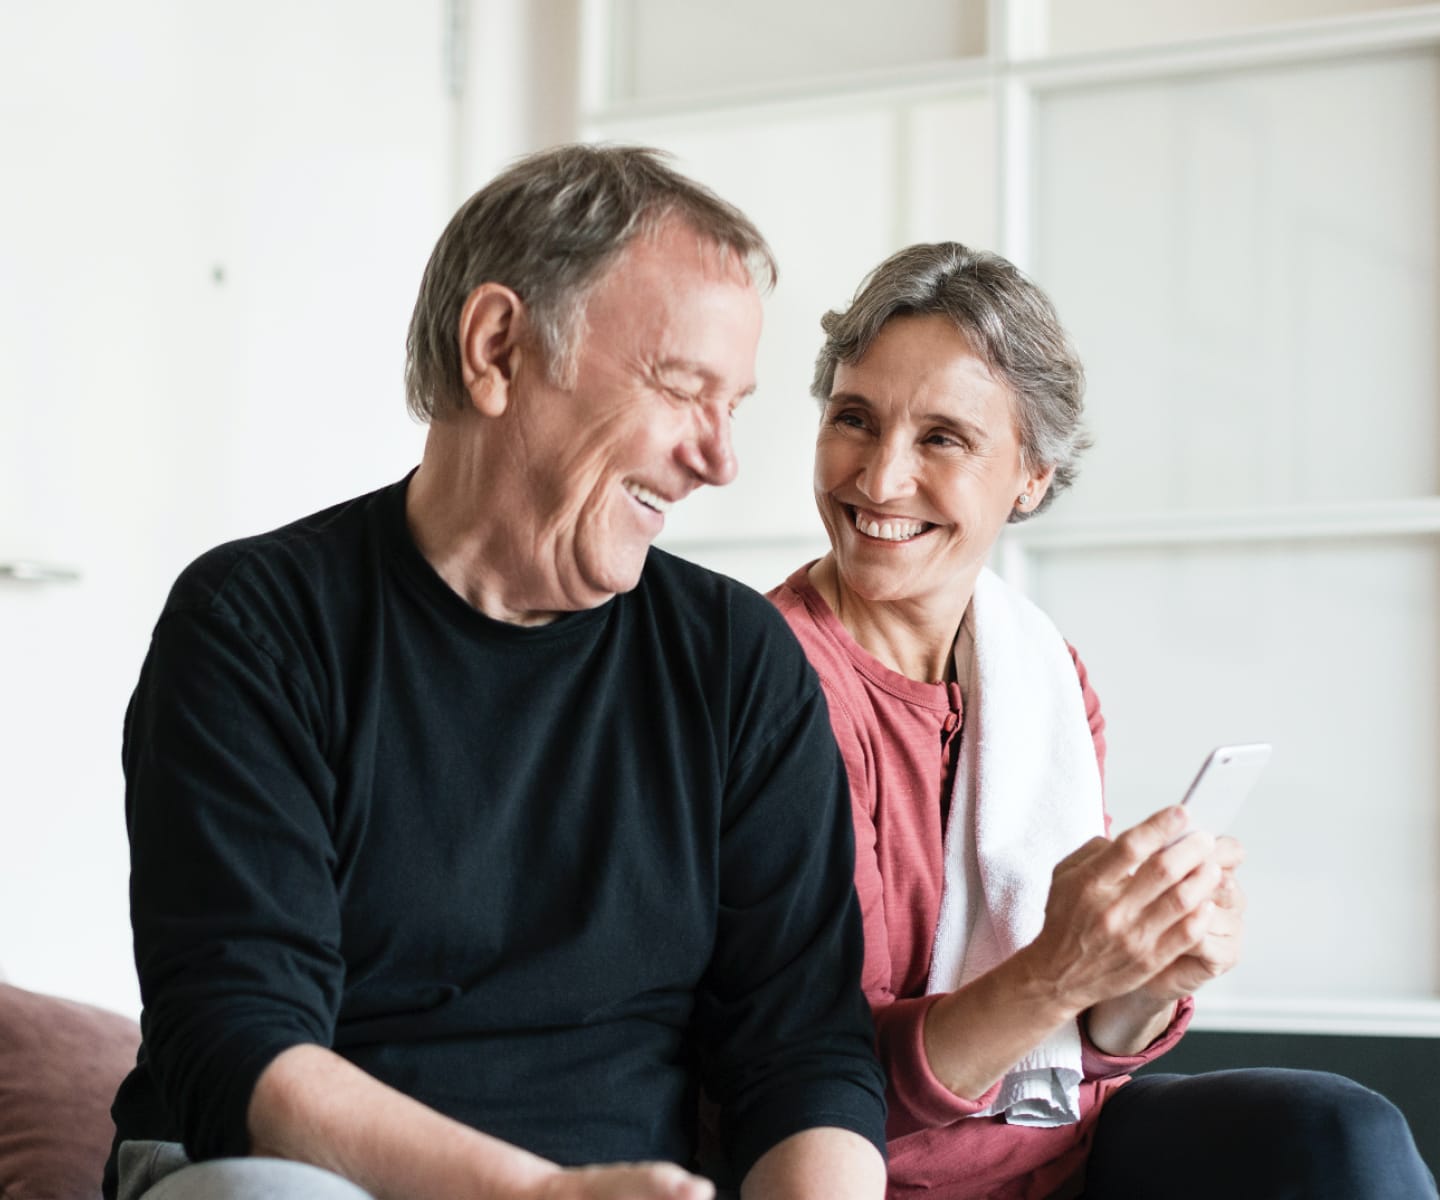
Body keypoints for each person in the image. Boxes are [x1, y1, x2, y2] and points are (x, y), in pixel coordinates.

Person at [103, 144, 889, 1200]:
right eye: (679, 387)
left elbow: (802, 1054)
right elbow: (238, 1047)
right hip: (288, 1175)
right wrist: (530, 1197)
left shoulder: (739, 664)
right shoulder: (256, 625)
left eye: (733, 405)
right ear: (499, 347)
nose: (719, 458)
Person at [768, 242, 1437, 1199]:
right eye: (854, 419)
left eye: (943, 438)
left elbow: (1088, 1052)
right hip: (886, 1174)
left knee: (1345, 1131)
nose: (879, 478)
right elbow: (808, 1083)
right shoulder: (768, 685)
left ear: (1031, 478)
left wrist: (1151, 966)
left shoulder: (1036, 671)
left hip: (1068, 1159)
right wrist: (1059, 968)